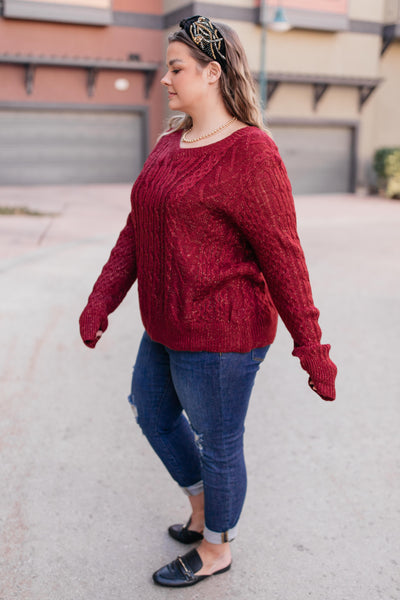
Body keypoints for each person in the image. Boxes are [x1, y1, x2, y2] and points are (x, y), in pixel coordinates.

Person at [79, 15, 337, 588]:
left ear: (212, 72)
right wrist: (102, 300)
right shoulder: (171, 142)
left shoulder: (252, 153)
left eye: (175, 68)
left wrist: (310, 348)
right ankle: (201, 507)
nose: (165, 79)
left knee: (220, 445)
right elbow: (135, 231)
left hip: (223, 335)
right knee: (151, 410)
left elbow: (284, 259)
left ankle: (218, 546)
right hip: (166, 322)